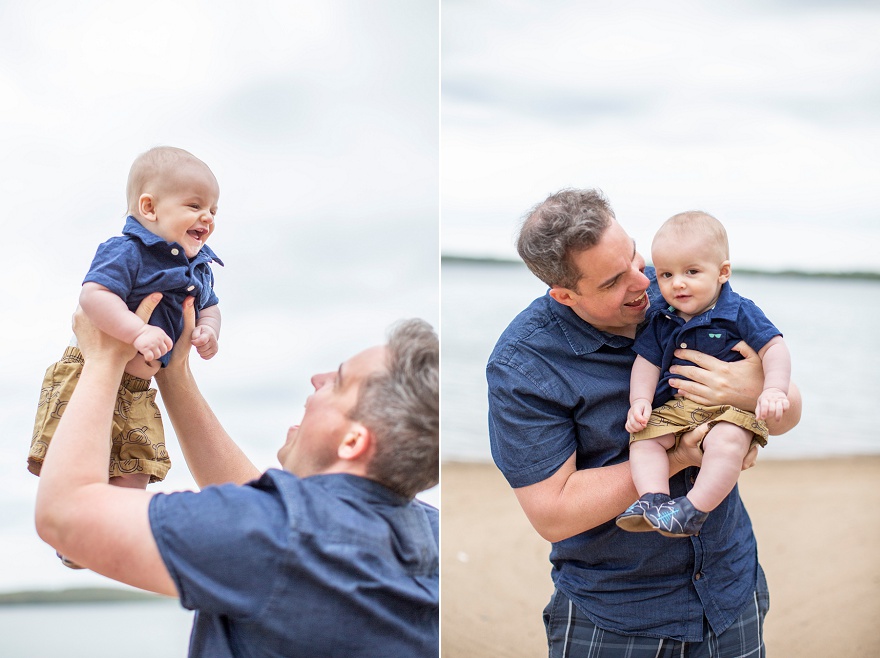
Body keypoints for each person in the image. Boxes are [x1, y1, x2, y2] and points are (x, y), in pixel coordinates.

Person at [34, 295, 440, 657]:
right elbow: (273, 515)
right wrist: (174, 373)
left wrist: (103, 357)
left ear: (353, 441)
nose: (318, 379)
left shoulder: (276, 539)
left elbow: (64, 515)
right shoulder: (431, 531)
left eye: (338, 381)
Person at [487, 189, 801, 655]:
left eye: (633, 255)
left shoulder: (682, 285)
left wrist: (748, 392)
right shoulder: (524, 365)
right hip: (619, 614)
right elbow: (552, 514)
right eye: (614, 281)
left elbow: (789, 413)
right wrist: (679, 455)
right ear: (564, 294)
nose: (643, 282)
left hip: (730, 588)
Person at [28, 146, 223, 514]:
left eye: (213, 210)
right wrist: (137, 332)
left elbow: (210, 306)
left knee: (137, 467)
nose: (207, 217)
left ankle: (111, 531)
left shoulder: (199, 268)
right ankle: (70, 530)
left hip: (137, 387)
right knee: (79, 457)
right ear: (149, 208)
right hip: (88, 371)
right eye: (195, 206)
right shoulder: (127, 251)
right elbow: (93, 297)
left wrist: (208, 331)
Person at [618, 211, 791, 537]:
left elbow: (774, 348)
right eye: (667, 274)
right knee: (644, 440)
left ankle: (693, 509)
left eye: (692, 272)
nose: (677, 283)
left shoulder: (739, 311)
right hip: (677, 408)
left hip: (729, 411)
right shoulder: (662, 318)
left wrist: (774, 390)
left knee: (727, 442)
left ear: (722, 272)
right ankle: (654, 501)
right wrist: (639, 401)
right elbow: (647, 362)